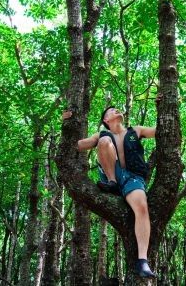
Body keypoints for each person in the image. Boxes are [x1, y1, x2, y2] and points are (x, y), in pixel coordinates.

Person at [62, 105, 157, 278]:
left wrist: (160, 106)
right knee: (104, 141)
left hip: (133, 177)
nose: (117, 111)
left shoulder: (136, 130)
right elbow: (77, 145)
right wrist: (66, 124)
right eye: (111, 111)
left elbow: (161, 131)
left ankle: (142, 261)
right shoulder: (101, 134)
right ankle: (112, 182)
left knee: (142, 207)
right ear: (106, 120)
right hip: (111, 175)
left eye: (117, 109)